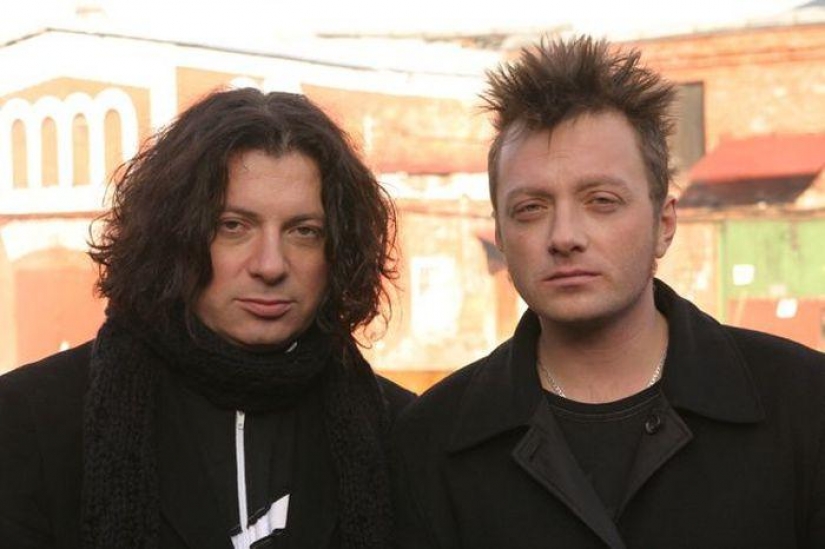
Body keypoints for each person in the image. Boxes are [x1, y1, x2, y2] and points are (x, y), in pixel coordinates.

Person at [392, 35, 825, 548]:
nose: (564, 236)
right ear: (502, 235)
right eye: (531, 208)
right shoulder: (432, 440)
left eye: (601, 201)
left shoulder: (803, 404)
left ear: (664, 223)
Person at [0, 88, 414, 549]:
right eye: (233, 226)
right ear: (174, 235)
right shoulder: (30, 422)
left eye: (304, 231)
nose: (270, 265)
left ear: (338, 249)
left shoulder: (406, 432)